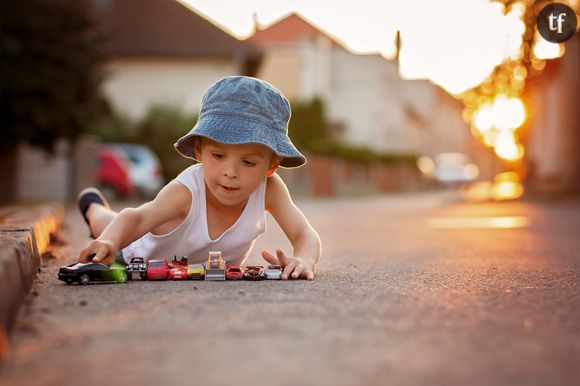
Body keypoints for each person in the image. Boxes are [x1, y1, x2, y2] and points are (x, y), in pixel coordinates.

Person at [77, 76, 321, 280]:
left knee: (113, 224)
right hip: (135, 254)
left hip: (203, 270)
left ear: (271, 166)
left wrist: (304, 259)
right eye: (218, 155)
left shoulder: (270, 189)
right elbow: (138, 218)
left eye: (248, 162)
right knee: (108, 225)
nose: (230, 172)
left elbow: (304, 233)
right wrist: (109, 242)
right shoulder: (186, 191)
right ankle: (92, 207)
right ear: (198, 152)